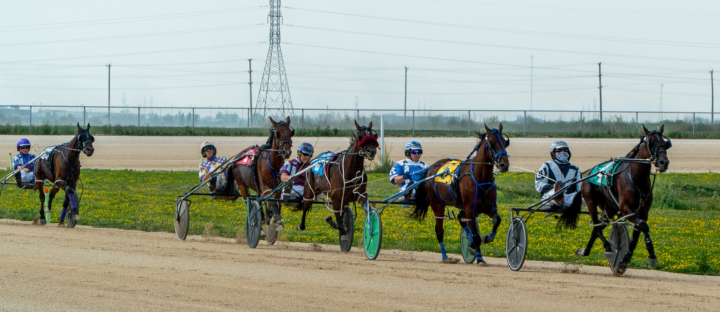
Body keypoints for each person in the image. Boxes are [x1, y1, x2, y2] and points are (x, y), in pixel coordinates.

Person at [535, 140, 582, 214]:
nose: (562, 152)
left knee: (587, 196)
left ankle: (562, 201)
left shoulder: (575, 168)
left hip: (568, 199)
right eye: (559, 150)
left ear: (568, 152)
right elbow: (538, 186)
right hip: (549, 197)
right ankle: (558, 198)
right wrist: (553, 186)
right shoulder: (547, 165)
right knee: (557, 192)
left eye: (565, 150)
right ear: (553, 153)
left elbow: (580, 190)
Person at [280, 142, 314, 206]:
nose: (307, 157)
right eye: (305, 154)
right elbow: (282, 177)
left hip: (305, 190)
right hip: (293, 188)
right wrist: (292, 177)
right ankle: (286, 195)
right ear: (299, 153)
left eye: (310, 155)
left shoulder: (311, 166)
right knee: (289, 188)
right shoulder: (290, 163)